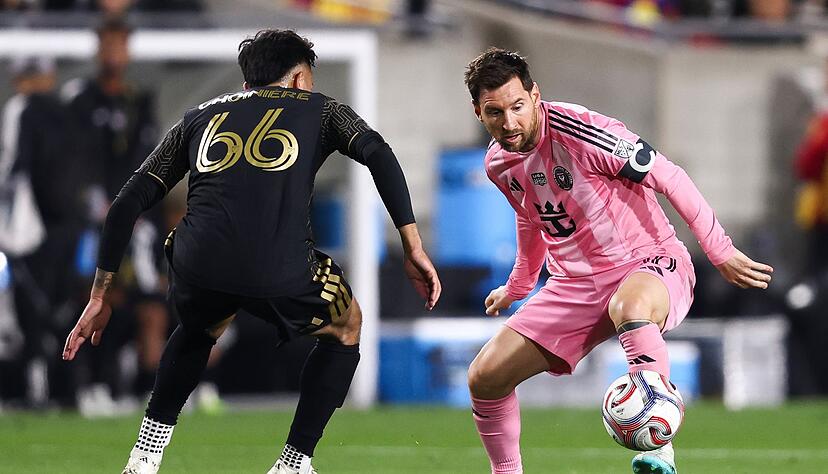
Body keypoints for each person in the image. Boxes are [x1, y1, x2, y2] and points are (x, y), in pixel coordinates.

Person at [62, 28, 441, 474]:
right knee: (347, 324)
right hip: (279, 268)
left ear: (248, 85)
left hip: (195, 265)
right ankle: (293, 462)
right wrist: (412, 243)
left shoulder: (198, 117)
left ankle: (143, 458)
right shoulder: (319, 110)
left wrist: (100, 295)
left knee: (200, 326)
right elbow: (378, 152)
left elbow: (126, 202)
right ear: (300, 80)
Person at [463, 48, 772, 474]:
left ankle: (659, 449)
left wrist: (718, 249)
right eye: (495, 112)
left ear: (535, 95)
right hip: (574, 285)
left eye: (517, 107)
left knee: (630, 306)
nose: (509, 123)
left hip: (647, 261)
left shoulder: (581, 130)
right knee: (485, 377)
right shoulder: (498, 163)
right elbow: (531, 219)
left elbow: (669, 175)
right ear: (479, 111)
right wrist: (517, 286)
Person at [0, 56, 86, 408]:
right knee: (61, 306)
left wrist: (9, 224)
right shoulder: (68, 112)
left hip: (33, 226)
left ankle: (40, 387)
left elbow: (14, 170)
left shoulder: (22, 108)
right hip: (69, 226)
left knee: (31, 308)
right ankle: (73, 387)